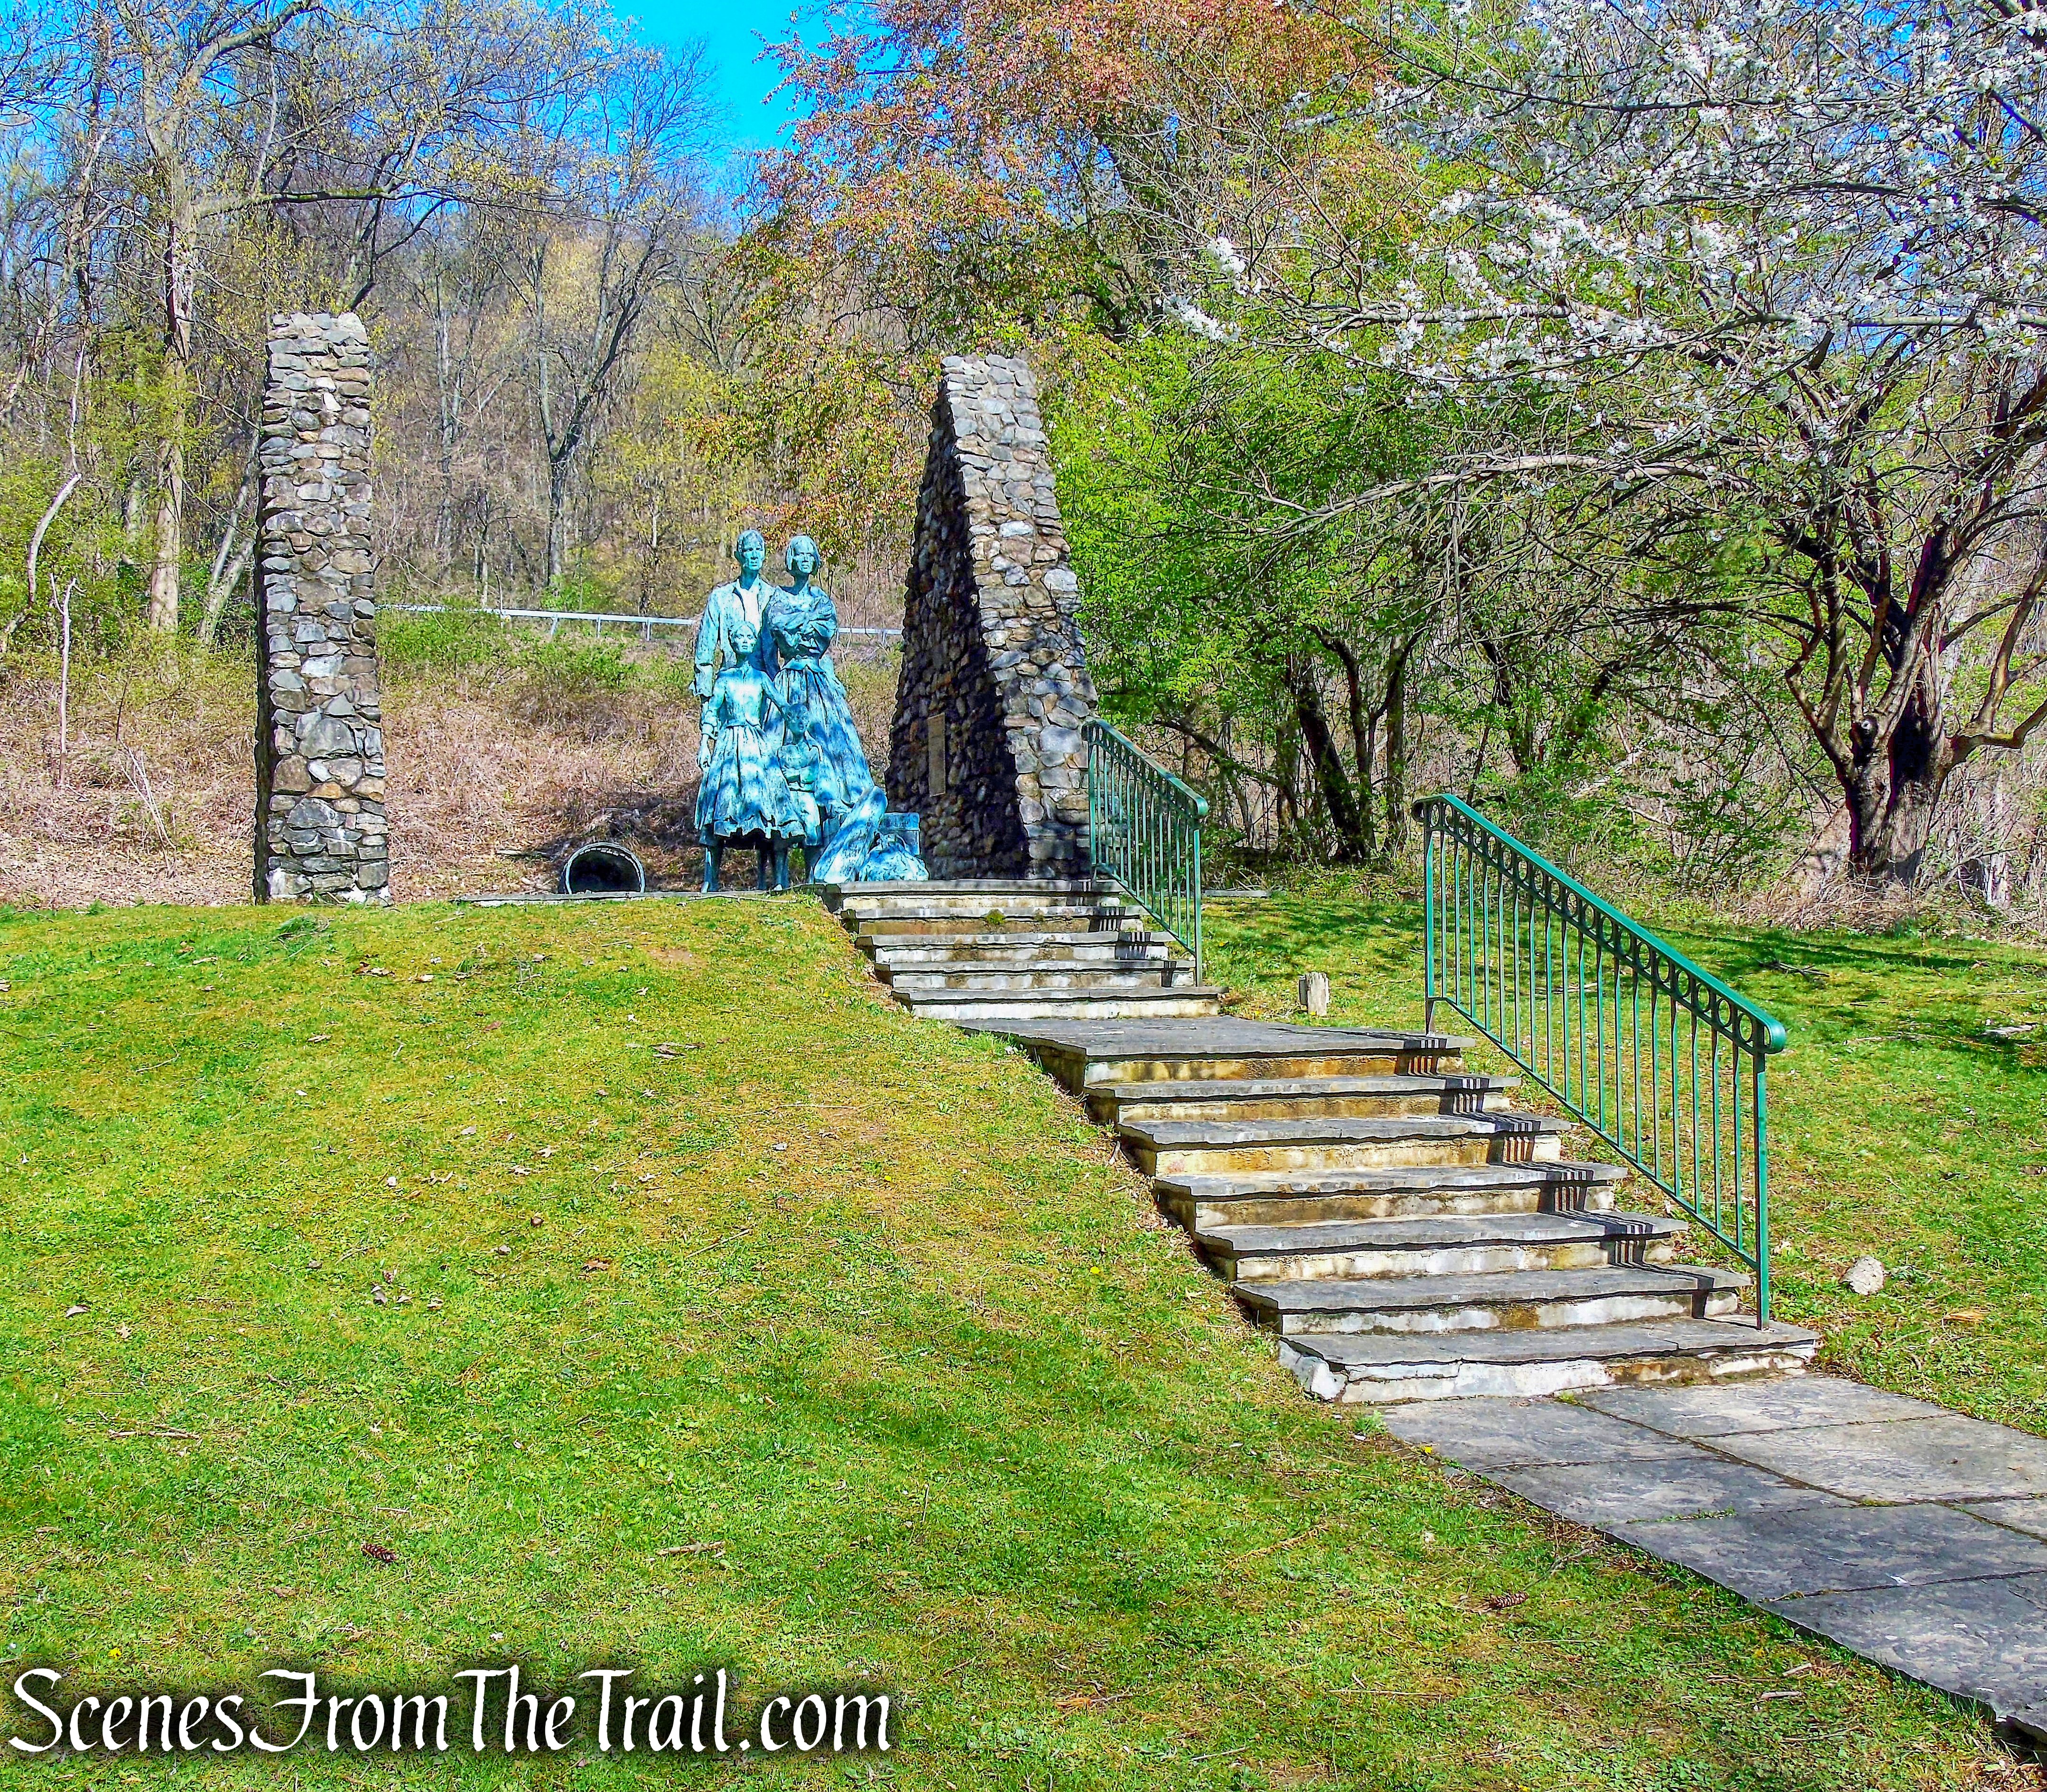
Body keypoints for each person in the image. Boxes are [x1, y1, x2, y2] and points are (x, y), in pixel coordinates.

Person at [765, 536, 888, 882]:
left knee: (837, 754)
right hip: (789, 682)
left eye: (810, 554)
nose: (804, 559)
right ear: (790, 560)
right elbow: (782, 635)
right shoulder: (778, 598)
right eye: (798, 554)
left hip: (820, 682)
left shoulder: (823, 600)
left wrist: (797, 628)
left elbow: (822, 633)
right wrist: (800, 630)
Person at [696, 618, 806, 892]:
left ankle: (781, 878)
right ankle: (711, 878)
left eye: (749, 637)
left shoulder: (761, 678)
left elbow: (784, 706)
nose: (745, 641)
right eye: (740, 638)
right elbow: (711, 713)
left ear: (754, 642)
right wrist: (704, 744)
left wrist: (799, 725)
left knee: (773, 804)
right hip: (730, 744)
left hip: (758, 745)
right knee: (722, 802)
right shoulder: (725, 679)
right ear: (733, 643)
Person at [693, 529, 777, 716]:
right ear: (739, 555)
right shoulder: (721, 599)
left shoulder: (774, 598)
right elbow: (704, 653)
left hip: (768, 686)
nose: (755, 555)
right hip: (731, 687)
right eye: (749, 550)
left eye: (759, 550)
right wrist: (706, 700)